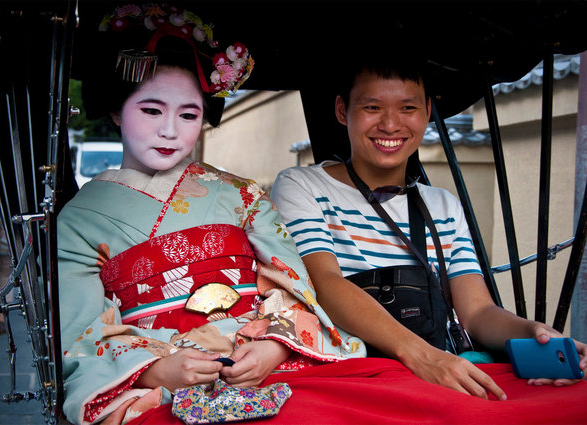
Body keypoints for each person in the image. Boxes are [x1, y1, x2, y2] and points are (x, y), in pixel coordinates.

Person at [58, 5, 364, 425]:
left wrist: (275, 346)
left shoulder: (242, 194)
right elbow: (77, 332)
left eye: (189, 114)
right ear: (115, 110)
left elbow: (293, 284)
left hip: (262, 365)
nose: (170, 130)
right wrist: (153, 369)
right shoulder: (79, 219)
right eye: (151, 110)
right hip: (158, 382)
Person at [270, 45, 587, 401]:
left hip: (440, 371)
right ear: (342, 111)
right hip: (348, 373)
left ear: (426, 112)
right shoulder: (302, 185)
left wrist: (534, 333)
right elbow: (326, 283)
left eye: (408, 107)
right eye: (372, 107)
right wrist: (422, 356)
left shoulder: (442, 205)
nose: (390, 124)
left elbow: (476, 312)